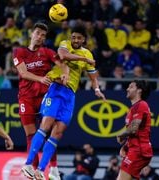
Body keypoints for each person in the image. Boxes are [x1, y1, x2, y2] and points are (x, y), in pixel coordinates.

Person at [21, 24, 106, 179]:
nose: (75, 40)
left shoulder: (88, 54)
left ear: (84, 40)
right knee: (45, 126)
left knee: (58, 132)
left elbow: (93, 77)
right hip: (56, 89)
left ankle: (41, 169)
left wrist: (97, 89)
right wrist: (84, 59)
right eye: (73, 37)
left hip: (70, 95)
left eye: (78, 38)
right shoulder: (65, 45)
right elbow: (63, 55)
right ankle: (28, 164)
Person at [13, 22, 66, 179]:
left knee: (49, 133)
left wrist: (64, 73)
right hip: (26, 98)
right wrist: (41, 79)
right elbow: (23, 73)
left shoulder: (48, 52)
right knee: (30, 135)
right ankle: (34, 171)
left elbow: (62, 64)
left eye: (43, 35)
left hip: (45, 98)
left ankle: (53, 169)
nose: (40, 37)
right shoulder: (19, 51)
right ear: (31, 34)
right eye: (37, 33)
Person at [116, 80, 153, 180]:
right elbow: (135, 133)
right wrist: (126, 146)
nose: (127, 89)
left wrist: (120, 135)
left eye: (131, 87)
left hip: (139, 151)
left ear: (139, 90)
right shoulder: (133, 108)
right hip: (134, 149)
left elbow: (133, 129)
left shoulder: (141, 105)